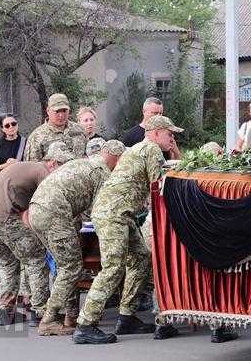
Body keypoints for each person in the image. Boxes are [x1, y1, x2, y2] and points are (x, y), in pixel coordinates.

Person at [73, 115, 183, 345]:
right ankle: (85, 324)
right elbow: (158, 187)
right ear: (155, 133)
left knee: (142, 257)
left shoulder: (138, 149)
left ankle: (126, 316)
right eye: (169, 134)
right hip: (115, 214)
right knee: (113, 268)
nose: (172, 139)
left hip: (119, 213)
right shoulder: (151, 149)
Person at [28, 140, 126, 336]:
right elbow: (100, 212)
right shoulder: (102, 172)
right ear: (116, 158)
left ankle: (69, 316)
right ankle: (49, 319)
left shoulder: (84, 162)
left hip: (38, 209)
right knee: (71, 267)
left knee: (65, 265)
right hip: (54, 212)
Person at [0, 142, 75, 327]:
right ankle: (41, 311)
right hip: (3, 216)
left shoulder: (26, 167)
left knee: (8, 262)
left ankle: (5, 310)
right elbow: (47, 206)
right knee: (36, 259)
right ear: (52, 162)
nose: (63, 174)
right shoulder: (42, 171)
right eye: (62, 166)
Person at [25, 93, 87, 162]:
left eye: (64, 111)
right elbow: (33, 167)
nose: (61, 115)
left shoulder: (79, 130)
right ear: (48, 111)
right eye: (57, 111)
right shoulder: (36, 137)